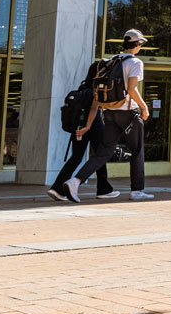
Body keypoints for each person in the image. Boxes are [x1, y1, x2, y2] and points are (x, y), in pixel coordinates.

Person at [53, 29, 154, 202]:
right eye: (140, 44)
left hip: (109, 114)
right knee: (137, 150)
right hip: (128, 113)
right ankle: (137, 191)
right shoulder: (135, 62)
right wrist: (144, 107)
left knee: (103, 153)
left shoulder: (109, 63)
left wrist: (89, 125)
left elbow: (95, 100)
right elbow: (131, 89)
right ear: (137, 44)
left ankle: (75, 182)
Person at [46, 78, 118, 201]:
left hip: (78, 127)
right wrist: (89, 125)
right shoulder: (97, 88)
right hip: (94, 124)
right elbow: (94, 108)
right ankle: (103, 189)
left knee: (76, 157)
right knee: (100, 156)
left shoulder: (81, 90)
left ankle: (57, 188)